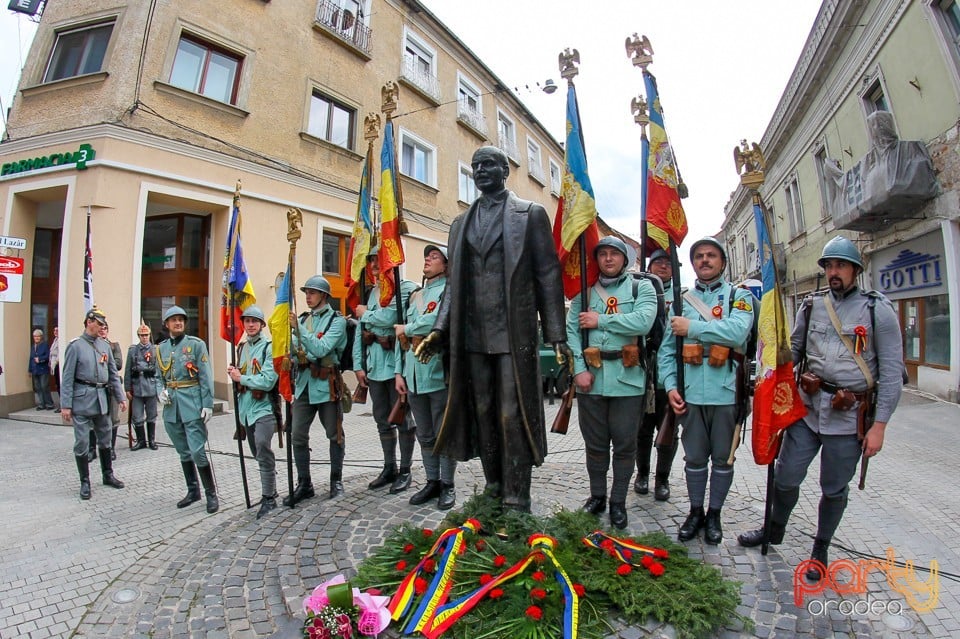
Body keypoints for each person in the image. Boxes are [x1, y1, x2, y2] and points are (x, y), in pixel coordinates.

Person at [738, 236, 904, 581]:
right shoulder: (812, 305)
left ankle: (821, 547)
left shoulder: (877, 309)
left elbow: (891, 374)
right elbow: (794, 352)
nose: (833, 272)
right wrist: (770, 376)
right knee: (785, 476)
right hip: (808, 409)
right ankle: (775, 528)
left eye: (840, 265)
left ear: (855, 270)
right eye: (829, 266)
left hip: (848, 416)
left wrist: (880, 426)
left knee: (833, 488)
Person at [416, 145, 569, 513]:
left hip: (511, 334)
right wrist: (439, 330)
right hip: (471, 336)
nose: (481, 171)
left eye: (489, 165)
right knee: (483, 412)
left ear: (505, 171)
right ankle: (494, 488)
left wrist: (556, 334)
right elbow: (453, 284)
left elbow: (548, 275)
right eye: (476, 166)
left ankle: (518, 497)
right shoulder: (460, 223)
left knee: (510, 414)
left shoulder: (529, 214)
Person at [658, 237, 754, 544]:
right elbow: (666, 352)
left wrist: (694, 329)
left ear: (722, 262)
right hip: (691, 396)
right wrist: (671, 386)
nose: (705, 260)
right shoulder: (680, 300)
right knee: (694, 459)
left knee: (723, 460)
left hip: (727, 393)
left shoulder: (738, 297)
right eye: (698, 256)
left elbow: (737, 331)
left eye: (711, 255)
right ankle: (696, 511)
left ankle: (715, 514)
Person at [567, 236, 657, 529]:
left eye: (614, 254)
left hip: (628, 379)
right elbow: (570, 333)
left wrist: (600, 321)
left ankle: (618, 501)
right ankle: (597, 497)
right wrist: (578, 369)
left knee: (624, 445)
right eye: (602, 254)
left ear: (625, 258)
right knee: (594, 445)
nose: (608, 259)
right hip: (590, 380)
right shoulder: (584, 293)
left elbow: (643, 322)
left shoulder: (641, 287)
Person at [394, 244, 456, 510]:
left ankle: (447, 484)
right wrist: (399, 372)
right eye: (427, 256)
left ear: (445, 264)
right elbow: (401, 339)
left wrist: (407, 327)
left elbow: (436, 321)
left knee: (444, 433)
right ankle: (432, 481)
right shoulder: (415, 295)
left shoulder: (448, 291)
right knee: (425, 434)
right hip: (414, 374)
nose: (428, 260)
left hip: (437, 372)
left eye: (435, 257)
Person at [353, 250, 418, 494]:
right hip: (374, 366)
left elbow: (391, 319)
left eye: (379, 260)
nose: (374, 265)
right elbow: (362, 331)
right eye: (371, 261)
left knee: (402, 420)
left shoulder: (405, 288)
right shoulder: (373, 292)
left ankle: (405, 470)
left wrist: (366, 314)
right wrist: (358, 364)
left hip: (396, 366)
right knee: (382, 420)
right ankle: (389, 467)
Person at [285, 275, 348, 505]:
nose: (308, 297)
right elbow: (292, 349)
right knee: (296, 434)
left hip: (326, 385)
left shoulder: (336, 321)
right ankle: (304, 483)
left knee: (335, 434)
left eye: (312, 292)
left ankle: (336, 480)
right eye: (306, 293)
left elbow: (322, 349)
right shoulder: (304, 320)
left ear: (324, 295)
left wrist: (299, 332)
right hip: (303, 385)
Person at [155, 305, 218, 514]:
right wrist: (159, 392)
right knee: (183, 452)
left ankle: (211, 493)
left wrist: (207, 404)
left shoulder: (196, 345)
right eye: (173, 320)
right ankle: (193, 491)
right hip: (172, 407)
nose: (178, 323)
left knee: (197, 451)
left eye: (181, 319)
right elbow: (158, 377)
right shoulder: (161, 349)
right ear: (166, 324)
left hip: (192, 404)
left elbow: (205, 376)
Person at [60, 307, 126, 500]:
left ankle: (108, 474)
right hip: (81, 400)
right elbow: (67, 377)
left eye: (103, 324)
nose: (101, 327)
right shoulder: (75, 346)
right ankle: (85, 482)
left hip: (102, 399)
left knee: (105, 439)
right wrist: (66, 405)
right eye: (99, 323)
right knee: (82, 442)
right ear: (89, 322)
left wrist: (120, 396)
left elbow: (113, 373)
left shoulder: (105, 346)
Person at [635, 248, 680, 501]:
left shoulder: (682, 295)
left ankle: (662, 478)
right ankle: (641, 473)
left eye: (667, 263)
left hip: (671, 371)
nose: (663, 267)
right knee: (642, 429)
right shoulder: (640, 290)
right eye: (658, 263)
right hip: (643, 368)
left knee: (668, 429)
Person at [227, 305, 279, 519]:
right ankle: (270, 488)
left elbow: (268, 381)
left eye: (254, 321)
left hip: (264, 407)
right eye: (247, 321)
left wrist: (242, 378)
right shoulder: (241, 348)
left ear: (262, 324)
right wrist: (233, 373)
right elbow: (241, 375)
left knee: (262, 445)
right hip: (246, 408)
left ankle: (269, 498)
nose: (250, 325)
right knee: (256, 452)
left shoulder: (269, 347)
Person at [125, 322, 159, 451]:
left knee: (152, 415)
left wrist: (160, 389)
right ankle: (141, 441)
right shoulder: (133, 350)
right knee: (137, 416)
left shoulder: (155, 350)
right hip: (137, 387)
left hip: (151, 386)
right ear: (138, 336)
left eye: (146, 335)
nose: (144, 337)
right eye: (142, 335)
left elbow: (159, 370)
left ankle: (151, 440)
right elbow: (128, 370)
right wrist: (127, 388)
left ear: (150, 335)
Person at [99, 322, 124, 460]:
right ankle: (92, 448)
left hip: (112, 386)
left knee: (114, 418)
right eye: (100, 328)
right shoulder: (92, 346)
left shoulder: (113, 345)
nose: (102, 331)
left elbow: (119, 364)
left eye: (105, 329)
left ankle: (112, 448)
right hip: (98, 387)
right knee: (95, 418)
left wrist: (105, 361)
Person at [29, 328, 54, 410]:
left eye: (38, 336)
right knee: (38, 388)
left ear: (41, 337)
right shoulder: (33, 346)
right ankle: (41, 404)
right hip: (35, 370)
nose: (36, 338)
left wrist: (39, 359)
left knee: (44, 387)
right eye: (35, 336)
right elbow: (31, 358)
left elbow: (48, 356)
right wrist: (29, 370)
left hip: (43, 369)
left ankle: (49, 404)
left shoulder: (45, 345)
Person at [50, 327, 61, 412]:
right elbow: (52, 352)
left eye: (57, 330)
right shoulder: (55, 340)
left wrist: (56, 361)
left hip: (58, 364)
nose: (55, 332)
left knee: (59, 386)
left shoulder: (60, 340)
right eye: (54, 330)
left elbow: (59, 353)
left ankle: (62, 405)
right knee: (57, 385)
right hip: (54, 364)